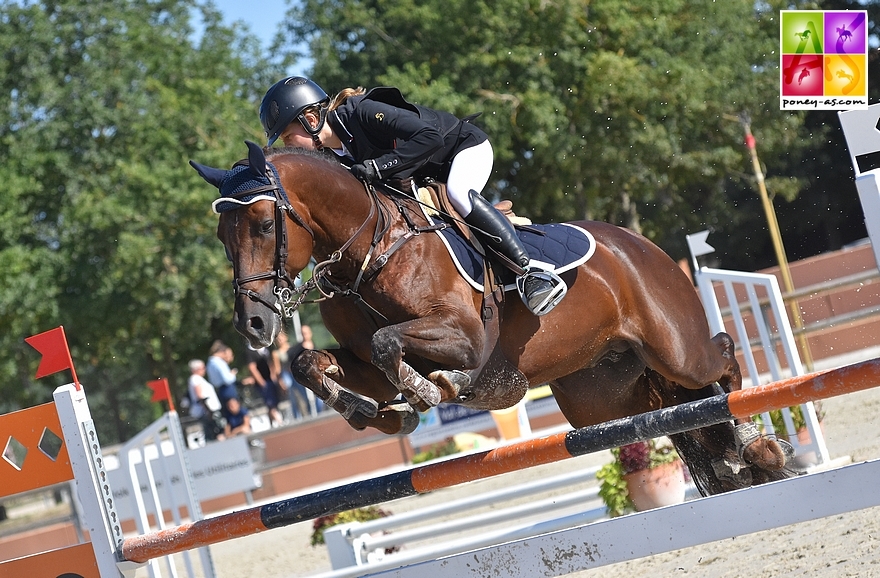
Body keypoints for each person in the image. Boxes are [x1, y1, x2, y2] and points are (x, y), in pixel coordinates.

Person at [259, 76, 566, 316]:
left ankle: (531, 273)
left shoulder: (362, 112)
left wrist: (378, 167)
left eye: (288, 137)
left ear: (311, 120)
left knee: (459, 194)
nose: (288, 147)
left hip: (460, 150)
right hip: (425, 175)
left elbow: (430, 138)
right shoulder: (333, 158)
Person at [273, 330, 310, 420]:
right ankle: (297, 417)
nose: (280, 340)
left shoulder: (292, 348)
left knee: (303, 394)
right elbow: (277, 369)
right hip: (286, 375)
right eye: (278, 339)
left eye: (281, 337)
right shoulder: (276, 353)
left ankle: (309, 413)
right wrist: (280, 381)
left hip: (295, 373)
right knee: (292, 397)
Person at [246, 343, 284, 427]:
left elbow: (271, 362)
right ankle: (280, 422)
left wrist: (273, 376)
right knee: (271, 403)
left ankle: (272, 424)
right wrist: (261, 382)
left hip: (270, 380)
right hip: (263, 383)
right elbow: (252, 368)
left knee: (273, 404)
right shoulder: (250, 351)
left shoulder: (265, 348)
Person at [187, 359, 226, 442]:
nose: (204, 369)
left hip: (207, 410)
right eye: (203, 368)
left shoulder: (196, 379)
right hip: (208, 411)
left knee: (212, 432)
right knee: (215, 431)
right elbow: (200, 396)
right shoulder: (196, 379)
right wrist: (208, 411)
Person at [206, 341, 240, 407]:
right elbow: (227, 379)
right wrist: (232, 374)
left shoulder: (210, 363)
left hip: (221, 391)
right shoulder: (219, 362)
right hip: (228, 390)